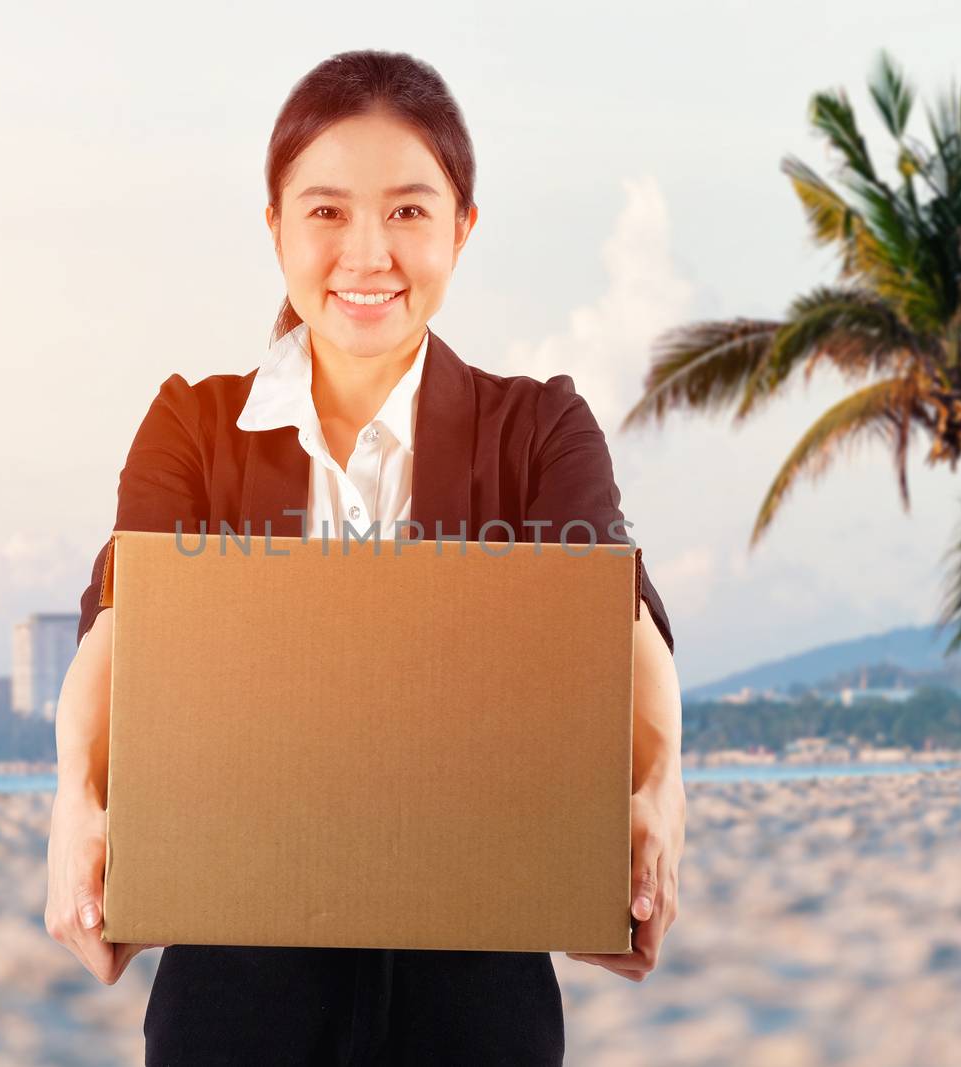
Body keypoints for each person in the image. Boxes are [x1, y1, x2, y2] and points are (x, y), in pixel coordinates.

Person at [44, 49, 686, 1066]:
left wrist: (658, 786)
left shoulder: (537, 428)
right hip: (236, 975)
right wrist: (76, 798)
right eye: (328, 211)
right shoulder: (193, 426)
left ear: (462, 228)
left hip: (476, 978)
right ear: (276, 226)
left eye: (409, 212)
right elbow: (123, 625)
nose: (367, 254)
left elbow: (618, 616)